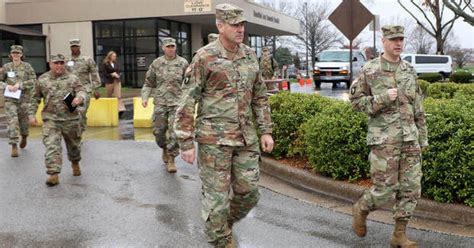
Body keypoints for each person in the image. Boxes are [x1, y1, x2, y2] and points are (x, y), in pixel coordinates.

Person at [174, 3, 274, 247]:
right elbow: (188, 99)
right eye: (234, 24)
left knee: (249, 193)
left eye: (242, 24)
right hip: (214, 141)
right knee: (216, 199)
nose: (240, 29)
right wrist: (185, 141)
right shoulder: (205, 57)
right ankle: (220, 238)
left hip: (246, 138)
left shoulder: (249, 55)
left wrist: (266, 130)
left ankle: (222, 224)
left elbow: (260, 96)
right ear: (220, 26)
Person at [349, 25, 428, 248]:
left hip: (410, 139)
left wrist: (422, 138)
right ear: (383, 41)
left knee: (411, 189)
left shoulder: (409, 70)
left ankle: (399, 235)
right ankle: (361, 208)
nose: (398, 43)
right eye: (393, 39)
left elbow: (418, 107)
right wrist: (382, 98)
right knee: (384, 190)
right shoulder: (370, 69)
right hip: (384, 140)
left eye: (401, 39)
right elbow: (355, 102)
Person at [28, 54, 87, 186]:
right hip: (51, 120)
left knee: (74, 147)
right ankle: (53, 174)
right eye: (56, 63)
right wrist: (31, 115)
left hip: (70, 119)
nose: (59, 66)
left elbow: (82, 91)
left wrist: (79, 98)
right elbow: (34, 98)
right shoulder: (42, 79)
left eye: (61, 63)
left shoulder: (72, 78)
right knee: (52, 146)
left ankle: (75, 162)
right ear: (50, 64)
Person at [141, 37, 189, 173]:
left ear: (176, 47)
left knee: (174, 133)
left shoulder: (183, 63)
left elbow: (189, 83)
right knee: (158, 132)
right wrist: (145, 97)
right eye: (168, 46)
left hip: (177, 103)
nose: (170, 49)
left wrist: (188, 100)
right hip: (160, 102)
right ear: (163, 48)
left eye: (172, 46)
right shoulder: (157, 63)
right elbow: (149, 82)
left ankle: (172, 159)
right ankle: (164, 148)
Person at [0, 45, 36, 157]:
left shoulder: (27, 67)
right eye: (13, 53)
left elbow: (34, 80)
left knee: (23, 123)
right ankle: (14, 145)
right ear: (10, 55)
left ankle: (24, 136)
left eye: (18, 53)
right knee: (12, 121)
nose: (15, 55)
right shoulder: (6, 67)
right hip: (10, 98)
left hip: (24, 98)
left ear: (21, 55)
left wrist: (20, 85)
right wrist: (6, 86)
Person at [66, 38, 101, 132]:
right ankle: (75, 132)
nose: (74, 48)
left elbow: (94, 74)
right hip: (70, 90)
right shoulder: (66, 60)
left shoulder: (87, 59)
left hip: (84, 89)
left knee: (81, 111)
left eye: (76, 46)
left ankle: (79, 132)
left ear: (79, 47)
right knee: (71, 112)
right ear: (70, 48)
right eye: (72, 46)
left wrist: (96, 89)